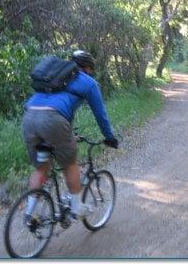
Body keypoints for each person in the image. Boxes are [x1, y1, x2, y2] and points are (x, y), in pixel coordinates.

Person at [22, 50, 118, 220]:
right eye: (91, 69)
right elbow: (100, 113)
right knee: (70, 164)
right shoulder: (88, 82)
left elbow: (52, 105)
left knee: (41, 168)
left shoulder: (54, 77)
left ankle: (30, 213)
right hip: (53, 121)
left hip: (29, 117)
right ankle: (76, 208)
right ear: (88, 68)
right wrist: (109, 136)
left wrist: (68, 134)